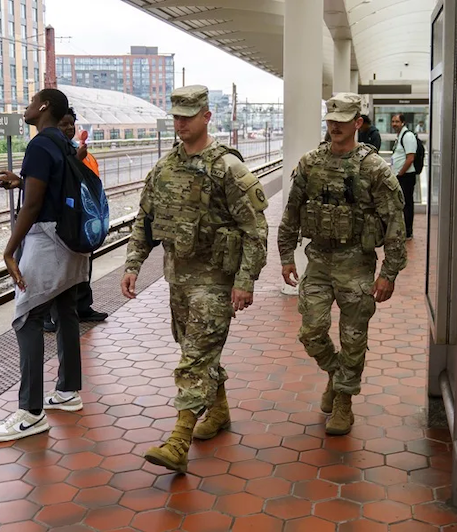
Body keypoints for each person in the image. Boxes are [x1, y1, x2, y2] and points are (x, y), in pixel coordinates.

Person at [121, 85, 269, 473]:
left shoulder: (227, 169)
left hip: (215, 282)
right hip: (179, 281)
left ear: (207, 116)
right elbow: (145, 220)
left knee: (194, 359)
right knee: (198, 353)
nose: (181, 122)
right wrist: (133, 263)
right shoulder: (164, 168)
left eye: (189, 114)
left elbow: (255, 229)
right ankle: (218, 413)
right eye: (176, 115)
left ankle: (179, 440)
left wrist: (245, 280)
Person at [278, 93, 407, 436]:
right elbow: (291, 211)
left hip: (357, 263)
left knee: (353, 337)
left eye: (343, 119)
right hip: (318, 260)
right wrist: (286, 256)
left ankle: (344, 402)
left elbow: (395, 221)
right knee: (311, 331)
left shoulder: (374, 167)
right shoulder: (310, 163)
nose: (335, 125)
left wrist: (388, 273)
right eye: (331, 119)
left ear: (358, 123)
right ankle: (337, 375)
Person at [0, 89, 90, 442]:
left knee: (27, 317)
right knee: (65, 310)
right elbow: (50, 188)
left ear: (43, 107)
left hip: (48, 241)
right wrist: (20, 181)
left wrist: (9, 251)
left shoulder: (38, 146)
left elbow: (31, 207)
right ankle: (67, 391)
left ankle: (30, 413)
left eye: (30, 102)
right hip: (73, 239)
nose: (26, 107)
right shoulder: (62, 143)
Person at [43, 108, 108, 333]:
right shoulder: (54, 152)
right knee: (58, 268)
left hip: (84, 217)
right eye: (63, 124)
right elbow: (59, 184)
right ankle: (48, 315)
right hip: (64, 220)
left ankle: (83, 306)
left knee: (83, 264)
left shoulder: (76, 151)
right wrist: (76, 161)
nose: (69, 128)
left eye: (71, 124)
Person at [391, 113, 417, 240]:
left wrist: (400, 173)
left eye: (397, 121)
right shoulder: (399, 136)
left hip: (406, 176)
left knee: (407, 204)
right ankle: (403, 229)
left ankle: (408, 231)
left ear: (403, 123)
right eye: (393, 121)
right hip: (401, 175)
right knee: (401, 203)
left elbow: (410, 158)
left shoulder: (408, 136)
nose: (394, 124)